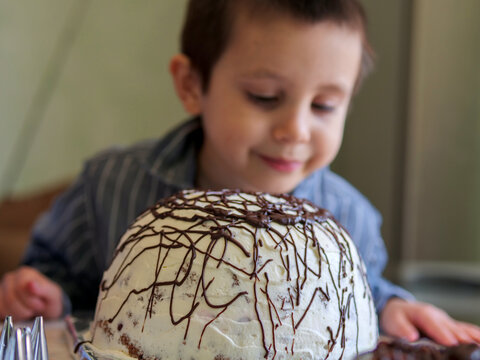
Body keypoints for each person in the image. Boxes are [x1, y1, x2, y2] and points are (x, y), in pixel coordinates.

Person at [1, 0, 479, 347]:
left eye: (325, 105)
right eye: (265, 97)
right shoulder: (110, 186)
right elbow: (56, 274)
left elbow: (364, 298)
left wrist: (393, 307)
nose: (295, 129)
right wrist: (42, 293)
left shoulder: (350, 217)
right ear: (192, 85)